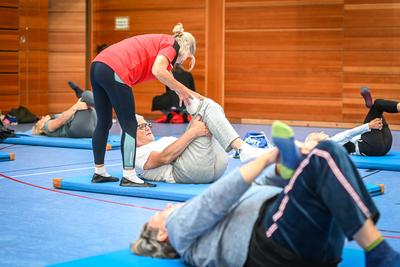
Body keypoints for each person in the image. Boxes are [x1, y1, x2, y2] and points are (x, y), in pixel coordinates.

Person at [131, 121, 400, 267]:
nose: (166, 207)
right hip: (271, 244)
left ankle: (294, 162)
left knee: (324, 155)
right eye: (158, 215)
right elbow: (215, 199)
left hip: (310, 249)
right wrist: (264, 158)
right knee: (325, 154)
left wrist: (278, 168)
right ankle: (378, 252)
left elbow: (259, 190)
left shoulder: (199, 233)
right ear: (162, 234)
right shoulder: (179, 233)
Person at [89, 23, 202, 187]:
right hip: (116, 68)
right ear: (185, 46)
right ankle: (129, 175)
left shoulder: (162, 46)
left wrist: (193, 95)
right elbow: (158, 71)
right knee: (129, 123)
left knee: (104, 122)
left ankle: (99, 172)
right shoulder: (172, 45)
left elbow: (171, 81)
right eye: (187, 56)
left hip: (98, 65)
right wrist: (182, 90)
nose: (183, 61)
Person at [134, 98, 274, 184]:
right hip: (186, 172)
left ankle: (193, 106)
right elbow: (164, 158)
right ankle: (242, 149)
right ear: (131, 137)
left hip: (215, 168)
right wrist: (193, 132)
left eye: (147, 124)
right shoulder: (136, 154)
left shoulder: (161, 140)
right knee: (207, 106)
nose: (147, 128)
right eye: (141, 127)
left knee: (214, 107)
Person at [306, 86, 400, 156]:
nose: (321, 132)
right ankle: (371, 106)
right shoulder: (330, 142)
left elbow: (353, 136)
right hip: (370, 148)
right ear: (315, 143)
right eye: (316, 134)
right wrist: (369, 126)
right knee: (378, 104)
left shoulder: (331, 146)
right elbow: (348, 134)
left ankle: (371, 106)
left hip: (384, 146)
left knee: (377, 110)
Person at [31, 88, 96, 138]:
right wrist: (76, 106)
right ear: (41, 127)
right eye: (40, 120)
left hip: (87, 128)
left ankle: (84, 98)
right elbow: (61, 120)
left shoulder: (50, 123)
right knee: (86, 95)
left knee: (94, 112)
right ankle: (83, 96)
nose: (42, 117)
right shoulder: (46, 126)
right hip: (77, 129)